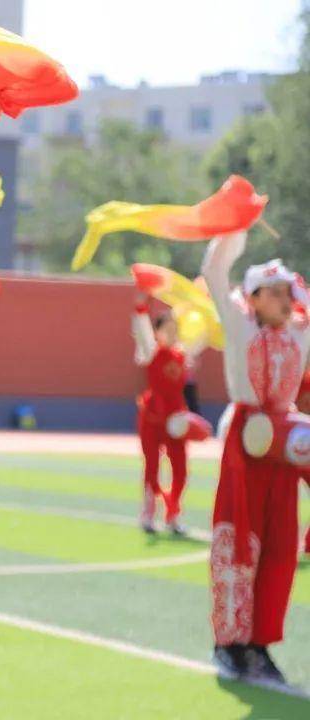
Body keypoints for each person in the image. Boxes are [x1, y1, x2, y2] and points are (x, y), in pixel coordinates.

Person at [202, 231, 308, 686]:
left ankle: (260, 645)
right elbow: (214, 271)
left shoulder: (300, 332)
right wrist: (234, 227)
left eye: (288, 292)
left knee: (281, 549)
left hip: (283, 444)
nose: (285, 299)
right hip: (247, 445)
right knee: (238, 544)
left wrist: (297, 292)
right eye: (275, 292)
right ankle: (230, 644)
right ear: (254, 298)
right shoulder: (240, 323)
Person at [131, 296, 190, 535]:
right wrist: (141, 309)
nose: (173, 333)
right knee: (152, 468)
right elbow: (143, 332)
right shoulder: (151, 351)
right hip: (153, 416)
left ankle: (173, 513)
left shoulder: (182, 354)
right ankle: (148, 514)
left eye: (176, 329)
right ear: (157, 331)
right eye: (168, 328)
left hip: (176, 419)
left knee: (181, 469)